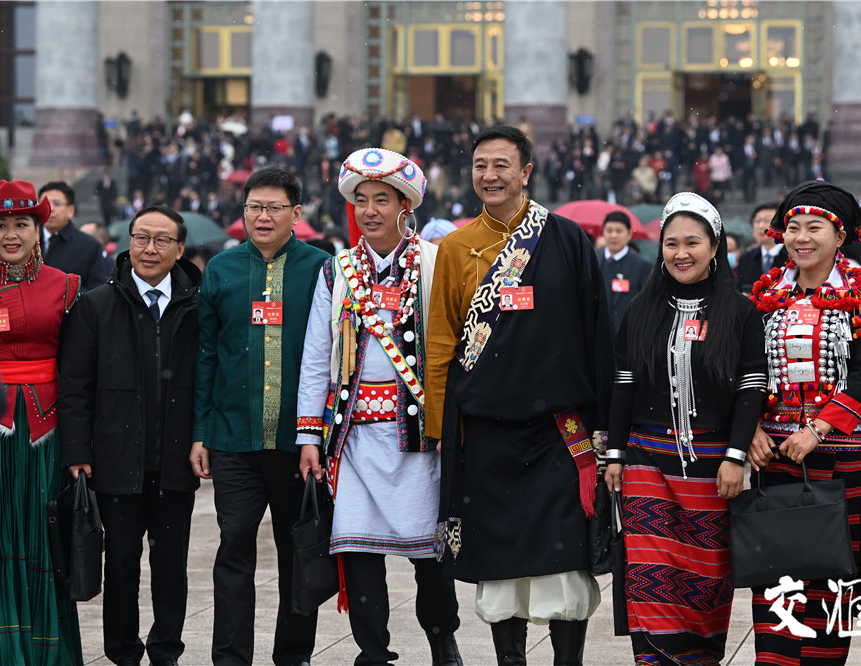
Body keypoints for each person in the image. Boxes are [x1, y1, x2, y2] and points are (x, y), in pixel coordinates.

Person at [426, 125, 614, 666]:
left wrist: (605, 426)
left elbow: (595, 330)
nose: (490, 175)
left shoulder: (566, 238)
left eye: (502, 165)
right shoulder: (457, 247)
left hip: (559, 432)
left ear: (526, 172)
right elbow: (441, 344)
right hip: (485, 434)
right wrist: (441, 430)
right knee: (499, 561)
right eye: (481, 165)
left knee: (562, 565)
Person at [297, 147, 463, 666]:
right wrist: (307, 436)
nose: (370, 210)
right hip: (353, 436)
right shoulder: (336, 270)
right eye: (361, 200)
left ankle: (442, 638)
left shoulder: (436, 263)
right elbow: (316, 357)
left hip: (418, 435)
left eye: (382, 200)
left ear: (404, 206)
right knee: (359, 551)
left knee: (429, 554)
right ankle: (373, 649)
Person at [605, 192, 767, 664]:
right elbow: (623, 386)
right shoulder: (641, 309)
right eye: (671, 243)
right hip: (647, 464)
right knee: (650, 580)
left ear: (715, 247)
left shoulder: (740, 312)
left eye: (692, 242)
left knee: (706, 584)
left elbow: (751, 389)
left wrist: (736, 456)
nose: (681, 253)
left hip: (714, 472)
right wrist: (615, 455)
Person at [746, 180, 861, 665]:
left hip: (838, 457)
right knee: (777, 570)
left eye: (814, 227)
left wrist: (819, 429)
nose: (801, 237)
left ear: (840, 234)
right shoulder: (769, 292)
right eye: (793, 228)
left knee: (831, 571)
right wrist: (751, 430)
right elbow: (747, 369)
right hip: (775, 456)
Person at [190, 167, 330, 666]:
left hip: (300, 444)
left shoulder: (322, 268)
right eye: (254, 207)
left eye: (274, 208)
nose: (263, 216)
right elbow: (207, 355)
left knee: (300, 554)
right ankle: (230, 657)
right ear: (242, 211)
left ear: (297, 214)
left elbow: (336, 357)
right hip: (233, 441)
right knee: (233, 552)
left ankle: (293, 655)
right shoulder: (222, 270)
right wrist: (201, 432)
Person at [59, 206, 202, 666]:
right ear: (127, 242)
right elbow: (75, 386)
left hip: (175, 458)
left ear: (180, 249)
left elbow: (209, 379)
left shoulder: (198, 305)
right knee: (120, 565)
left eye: (162, 240)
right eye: (141, 238)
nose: (150, 249)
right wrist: (78, 450)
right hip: (116, 461)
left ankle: (165, 650)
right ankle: (121, 651)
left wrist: (204, 439)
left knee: (170, 568)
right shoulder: (96, 304)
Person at [0, 179, 84, 664]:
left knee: (43, 535)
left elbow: (79, 369)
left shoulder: (68, 285)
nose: (11, 234)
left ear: (40, 228)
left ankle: (43, 650)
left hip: (48, 430)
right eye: (1, 225)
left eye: (22, 223)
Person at [37, 181, 110, 291]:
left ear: (71, 210)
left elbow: (97, 291)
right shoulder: (27, 241)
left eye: (57, 203)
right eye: (45, 203)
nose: (50, 208)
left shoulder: (89, 246)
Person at [596, 211, 652, 337]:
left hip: (626, 335)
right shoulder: (592, 258)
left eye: (619, 231)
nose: (613, 235)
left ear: (629, 234)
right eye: (609, 230)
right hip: (597, 333)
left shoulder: (641, 265)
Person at [736, 203, 785, 293]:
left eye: (767, 220)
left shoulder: (791, 257)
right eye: (757, 221)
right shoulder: (746, 258)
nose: (761, 226)